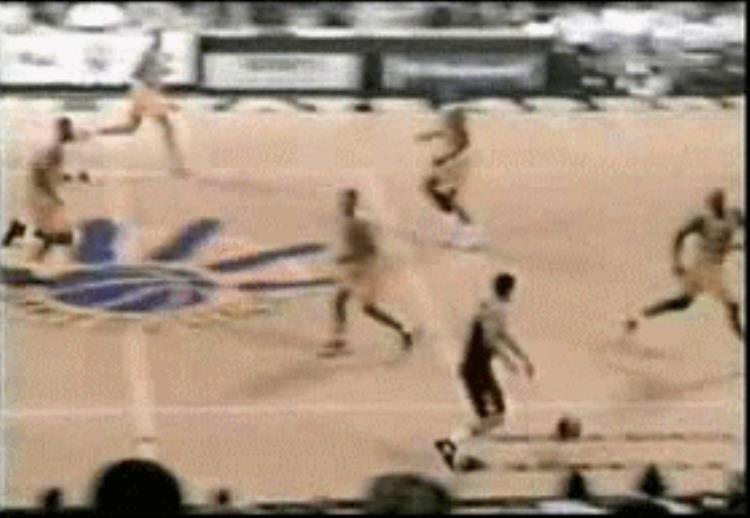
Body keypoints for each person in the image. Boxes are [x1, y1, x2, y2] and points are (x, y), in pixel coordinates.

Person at [435, 272, 534, 470]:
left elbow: (502, 334)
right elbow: (490, 340)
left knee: (485, 418)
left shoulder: (488, 305)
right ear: (509, 290)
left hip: (474, 368)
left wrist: (523, 357)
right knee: (497, 415)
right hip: (477, 370)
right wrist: (508, 361)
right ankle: (451, 443)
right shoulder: (497, 310)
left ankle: (457, 447)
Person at [627, 188, 744, 339]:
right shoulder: (703, 220)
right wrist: (676, 261)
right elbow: (680, 235)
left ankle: (639, 316)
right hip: (708, 268)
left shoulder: (734, 215)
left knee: (683, 302)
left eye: (719, 200)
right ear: (710, 204)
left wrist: (736, 246)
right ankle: (742, 338)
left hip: (701, 269)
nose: (716, 204)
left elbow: (730, 233)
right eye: (713, 202)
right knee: (732, 305)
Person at [320, 189, 414, 357]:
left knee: (368, 308)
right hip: (358, 269)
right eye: (343, 202)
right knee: (341, 301)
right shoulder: (350, 221)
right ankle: (339, 340)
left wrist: (347, 258)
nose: (343, 205)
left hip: (366, 271)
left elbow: (370, 249)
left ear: (353, 203)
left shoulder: (359, 223)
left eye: (346, 202)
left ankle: (403, 330)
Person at [96, 28, 189, 177]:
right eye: (156, 37)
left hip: (145, 93)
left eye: (159, 37)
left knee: (130, 127)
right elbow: (137, 73)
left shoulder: (156, 56)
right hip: (145, 92)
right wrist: (153, 90)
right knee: (167, 128)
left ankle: (98, 131)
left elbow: (154, 79)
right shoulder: (149, 55)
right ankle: (177, 167)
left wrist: (159, 86)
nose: (158, 40)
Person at [2, 117, 89, 262]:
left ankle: (31, 259)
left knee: (56, 235)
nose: (71, 133)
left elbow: (51, 174)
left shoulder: (56, 149)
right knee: (62, 236)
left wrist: (75, 177)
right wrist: (51, 194)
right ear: (61, 130)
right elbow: (40, 172)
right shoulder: (54, 150)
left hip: (44, 198)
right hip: (44, 200)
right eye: (68, 130)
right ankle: (20, 234)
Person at [416, 106, 484, 250]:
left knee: (438, 192)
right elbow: (441, 132)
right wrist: (427, 136)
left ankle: (469, 231)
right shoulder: (450, 127)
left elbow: (461, 147)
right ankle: (461, 231)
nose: (446, 120)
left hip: (456, 164)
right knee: (438, 193)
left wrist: (444, 159)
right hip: (451, 165)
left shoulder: (461, 132)